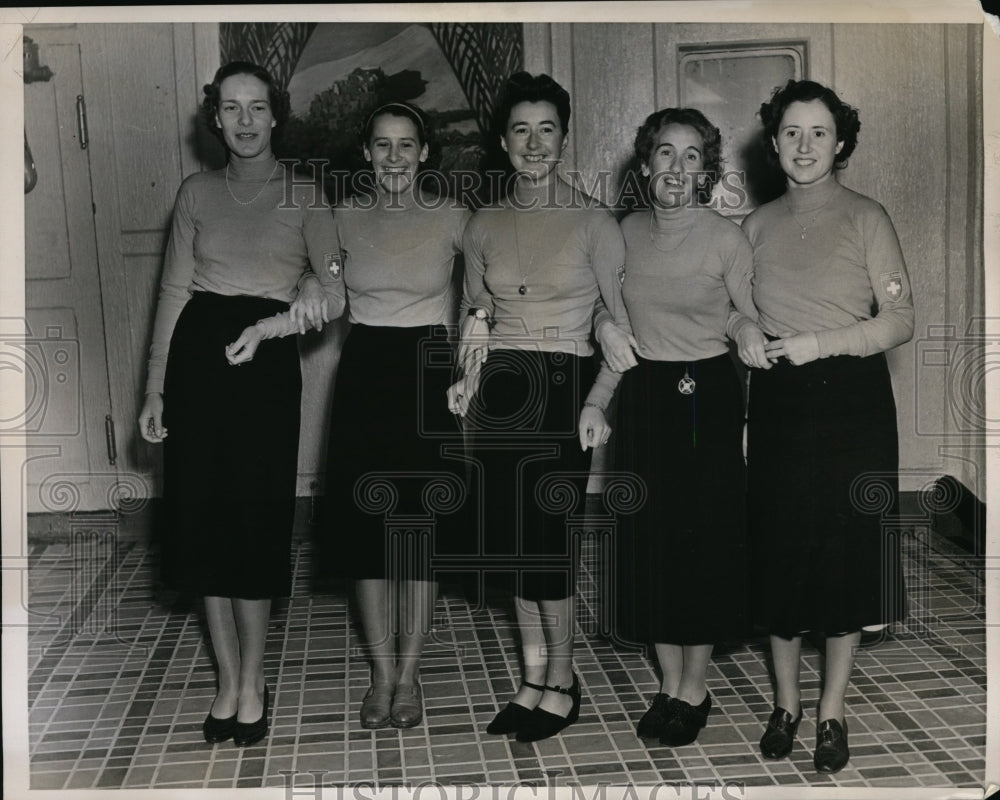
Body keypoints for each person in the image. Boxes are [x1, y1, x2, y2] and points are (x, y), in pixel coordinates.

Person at [137, 61, 344, 748]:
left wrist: (281, 319)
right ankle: (225, 681)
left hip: (263, 374)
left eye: (258, 107)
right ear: (216, 118)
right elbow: (172, 295)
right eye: (232, 109)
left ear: (275, 115)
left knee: (252, 529)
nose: (246, 121)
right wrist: (155, 387)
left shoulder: (308, 195)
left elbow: (334, 291)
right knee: (201, 524)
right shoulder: (196, 192)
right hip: (198, 367)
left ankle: (254, 681)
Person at [447, 71, 629, 743]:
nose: (534, 142)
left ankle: (564, 679)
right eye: (521, 129)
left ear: (563, 136)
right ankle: (530, 678)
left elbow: (616, 313)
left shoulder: (593, 220)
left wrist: (601, 385)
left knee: (548, 549)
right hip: (500, 389)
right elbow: (477, 309)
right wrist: (471, 359)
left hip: (562, 385)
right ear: (503, 140)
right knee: (509, 549)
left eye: (546, 129)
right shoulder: (483, 222)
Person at [740, 79, 914, 774]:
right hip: (780, 401)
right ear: (774, 142)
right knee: (781, 557)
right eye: (791, 132)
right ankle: (784, 704)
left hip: (852, 402)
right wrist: (744, 329)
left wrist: (825, 342)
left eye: (819, 133)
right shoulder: (753, 227)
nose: (804, 146)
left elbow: (903, 320)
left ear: (840, 142)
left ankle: (831, 711)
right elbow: (729, 309)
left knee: (843, 561)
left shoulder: (868, 217)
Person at [588, 108, 763, 748]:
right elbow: (612, 325)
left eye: (693, 157)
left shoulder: (727, 239)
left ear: (707, 172)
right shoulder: (622, 234)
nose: (677, 168)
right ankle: (667, 682)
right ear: (644, 165)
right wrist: (598, 399)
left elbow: (749, 319)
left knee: (703, 543)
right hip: (644, 396)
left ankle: (696, 685)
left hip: (709, 396)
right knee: (653, 542)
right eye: (666, 153)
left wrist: (745, 330)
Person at [315, 102, 470, 729]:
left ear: (425, 153)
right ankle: (379, 675)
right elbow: (318, 286)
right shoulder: (342, 218)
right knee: (368, 538)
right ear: (367, 153)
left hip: (428, 371)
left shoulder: (456, 217)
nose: (395, 158)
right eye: (383, 145)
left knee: (418, 538)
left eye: (407, 145)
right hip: (364, 372)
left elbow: (490, 289)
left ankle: (409, 678)